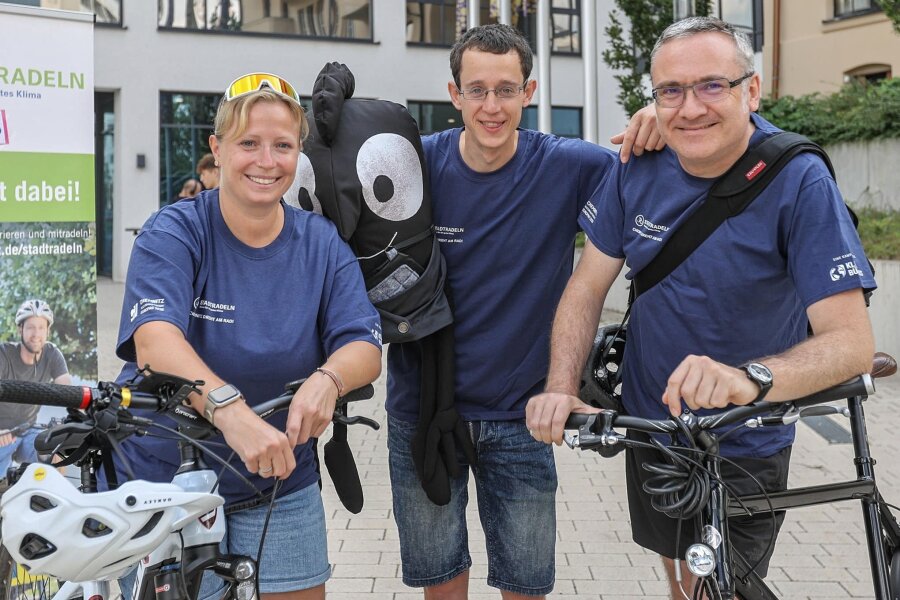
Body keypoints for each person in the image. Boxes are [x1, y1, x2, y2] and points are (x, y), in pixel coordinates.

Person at [526, 17, 876, 598]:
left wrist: (749, 378)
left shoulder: (798, 180)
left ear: (752, 90)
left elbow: (851, 341)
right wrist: (562, 385)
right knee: (682, 577)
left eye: (712, 85)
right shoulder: (636, 167)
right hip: (653, 429)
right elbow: (587, 287)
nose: (691, 108)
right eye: (671, 91)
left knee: (718, 585)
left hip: (747, 435)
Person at [385, 23, 663, 599]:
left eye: (507, 90)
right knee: (440, 580)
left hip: (525, 415)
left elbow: (657, 171)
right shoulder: (417, 169)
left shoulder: (571, 166)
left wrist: (657, 120)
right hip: (422, 407)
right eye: (477, 90)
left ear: (529, 92)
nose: (492, 106)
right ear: (453, 93)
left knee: (527, 584)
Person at [115, 72, 382, 600]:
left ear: (298, 152)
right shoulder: (174, 230)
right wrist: (230, 412)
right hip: (167, 478)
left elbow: (364, 345)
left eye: (282, 145)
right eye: (248, 144)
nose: (266, 161)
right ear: (217, 150)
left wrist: (328, 380)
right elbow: (155, 339)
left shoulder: (321, 242)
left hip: (279, 480)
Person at [0, 299, 72, 476]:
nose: (36, 334)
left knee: (55, 455)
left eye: (41, 327)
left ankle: (51, 501)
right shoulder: (4, 354)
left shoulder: (52, 354)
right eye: (31, 327)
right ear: (20, 329)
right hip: (1, 434)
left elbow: (69, 391)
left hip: (28, 430)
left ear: (48, 330)